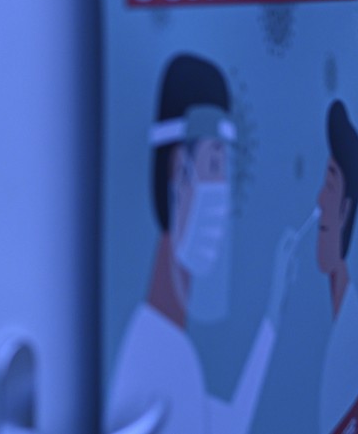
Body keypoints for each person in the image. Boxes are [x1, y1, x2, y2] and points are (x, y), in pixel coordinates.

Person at [105, 53, 299, 434]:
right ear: (178, 171)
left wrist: (273, 312)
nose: (222, 198)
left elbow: (227, 423)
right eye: (214, 166)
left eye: (227, 171)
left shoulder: (167, 345)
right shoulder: (162, 355)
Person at [314, 100, 358, 434]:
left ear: (345, 212)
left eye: (329, 186)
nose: (319, 200)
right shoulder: (341, 315)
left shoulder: (351, 330)